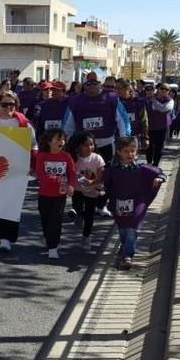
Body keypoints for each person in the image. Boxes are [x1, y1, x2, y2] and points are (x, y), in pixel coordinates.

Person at [64, 71, 131, 217]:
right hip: (82, 145)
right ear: (84, 85)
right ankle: (77, 206)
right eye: (88, 83)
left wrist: (124, 139)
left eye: (95, 83)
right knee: (80, 175)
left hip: (106, 143)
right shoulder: (75, 100)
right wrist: (64, 143)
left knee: (105, 176)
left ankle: (101, 205)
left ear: (100, 84)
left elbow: (122, 120)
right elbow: (68, 124)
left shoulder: (112, 98)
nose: (92, 86)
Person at [0, 91, 37, 252]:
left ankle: (6, 238)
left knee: (12, 203)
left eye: (11, 105)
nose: (8, 108)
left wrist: (32, 165)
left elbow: (33, 145)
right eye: (4, 104)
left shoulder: (24, 124)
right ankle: (1, 232)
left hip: (17, 169)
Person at [104, 136, 166, 270]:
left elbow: (160, 173)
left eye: (133, 151)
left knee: (133, 228)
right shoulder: (112, 169)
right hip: (118, 203)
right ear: (119, 152)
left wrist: (159, 178)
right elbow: (105, 184)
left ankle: (127, 256)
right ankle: (125, 246)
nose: (130, 154)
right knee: (123, 228)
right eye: (126, 151)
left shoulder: (141, 168)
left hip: (138, 202)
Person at [34, 128, 76, 260]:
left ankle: (53, 246)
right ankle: (48, 239)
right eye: (58, 139)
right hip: (44, 194)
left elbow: (72, 173)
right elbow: (40, 174)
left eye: (63, 139)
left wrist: (71, 185)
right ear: (49, 142)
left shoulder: (66, 156)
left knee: (56, 220)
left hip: (60, 195)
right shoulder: (42, 156)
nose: (61, 142)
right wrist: (55, 179)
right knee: (46, 219)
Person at [67, 132, 105, 252]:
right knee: (77, 205)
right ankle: (77, 213)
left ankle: (86, 236)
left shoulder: (97, 158)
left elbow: (101, 173)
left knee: (90, 215)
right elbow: (69, 173)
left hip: (92, 191)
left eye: (91, 144)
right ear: (78, 146)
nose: (89, 148)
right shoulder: (73, 158)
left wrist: (94, 182)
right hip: (78, 189)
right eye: (85, 145)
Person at [146, 83, 174, 166]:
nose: (164, 91)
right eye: (162, 88)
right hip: (149, 126)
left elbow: (163, 109)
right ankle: (149, 164)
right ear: (158, 89)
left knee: (158, 147)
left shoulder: (170, 101)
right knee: (149, 146)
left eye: (167, 89)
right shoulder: (149, 97)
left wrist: (153, 100)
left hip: (161, 127)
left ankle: (155, 165)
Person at [117, 81, 148, 156]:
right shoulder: (115, 102)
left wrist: (145, 137)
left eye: (124, 89)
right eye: (119, 89)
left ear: (130, 91)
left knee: (132, 158)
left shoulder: (138, 103)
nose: (120, 91)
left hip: (134, 136)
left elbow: (144, 121)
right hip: (119, 137)